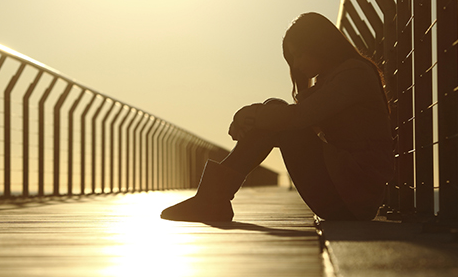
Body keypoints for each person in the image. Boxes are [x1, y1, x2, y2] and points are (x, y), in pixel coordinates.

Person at [160, 12, 394, 222]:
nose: (297, 64)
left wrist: (250, 115)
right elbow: (299, 117)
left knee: (279, 119)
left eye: (298, 54)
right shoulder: (334, 78)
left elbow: (299, 117)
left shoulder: (353, 75)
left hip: (353, 198)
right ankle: (212, 199)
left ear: (319, 44)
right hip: (346, 189)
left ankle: (212, 199)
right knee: (275, 110)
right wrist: (256, 114)